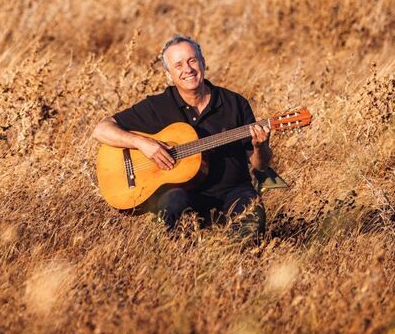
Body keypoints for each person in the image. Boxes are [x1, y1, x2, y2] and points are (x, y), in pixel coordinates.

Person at [92, 34, 271, 241]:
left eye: (192, 60)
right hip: (186, 195)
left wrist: (261, 147)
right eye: (178, 65)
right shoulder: (158, 106)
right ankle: (182, 265)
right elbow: (101, 129)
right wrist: (142, 143)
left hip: (234, 192)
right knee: (174, 202)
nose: (187, 69)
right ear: (168, 74)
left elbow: (259, 165)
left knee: (252, 212)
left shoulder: (234, 103)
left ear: (203, 63)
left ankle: (241, 265)